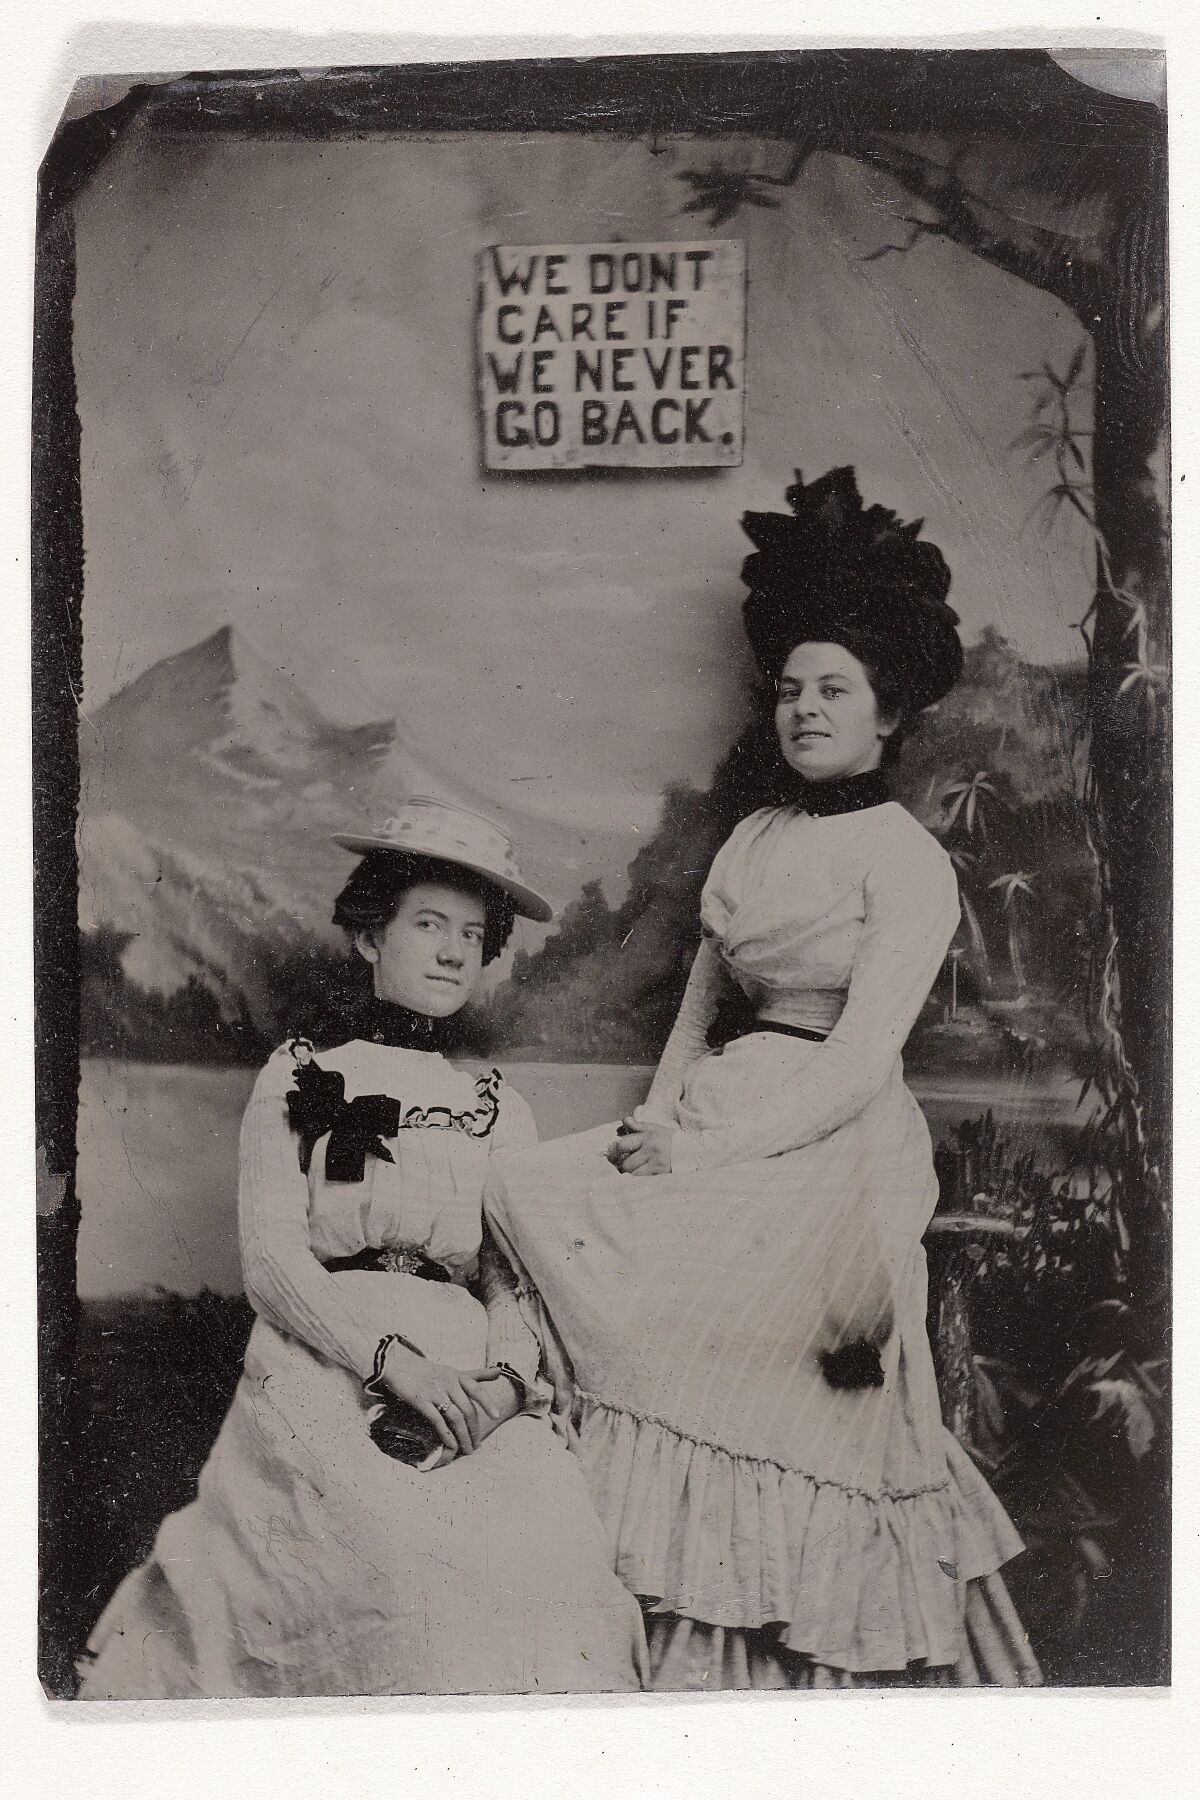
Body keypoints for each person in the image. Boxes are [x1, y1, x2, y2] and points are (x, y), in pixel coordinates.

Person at [485, 468, 1042, 1690]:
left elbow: (854, 1061)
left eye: (833, 689)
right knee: (530, 1193)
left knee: (749, 1345)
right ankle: (579, 1568)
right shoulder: (755, 842)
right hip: (723, 1106)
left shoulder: (905, 862)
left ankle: (756, 1656)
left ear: (889, 712)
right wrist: (658, 1125)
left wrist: (708, 1154)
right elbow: (694, 1019)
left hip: (834, 1144)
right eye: (790, 688)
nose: (804, 709)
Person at [78, 797, 647, 1698]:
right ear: (370, 934)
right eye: (428, 924)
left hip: (473, 1375)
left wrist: (500, 1386)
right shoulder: (302, 1073)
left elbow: (512, 1277)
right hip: (328, 1358)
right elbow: (271, 1263)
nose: (454, 949)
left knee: (552, 1555)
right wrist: (395, 1368)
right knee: (391, 1565)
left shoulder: (499, 1104)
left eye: (472, 932)